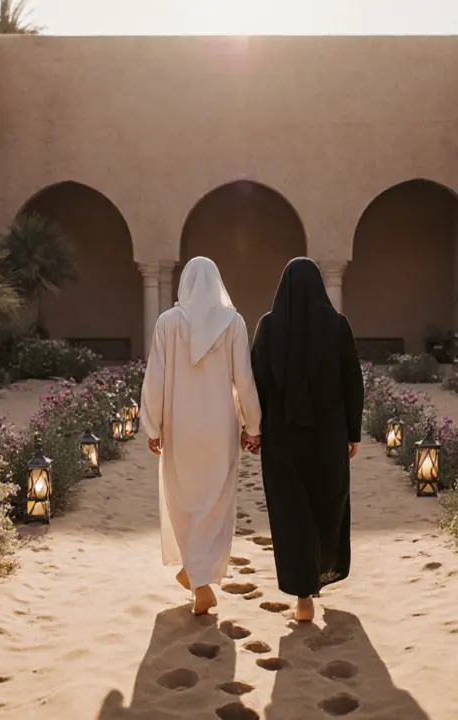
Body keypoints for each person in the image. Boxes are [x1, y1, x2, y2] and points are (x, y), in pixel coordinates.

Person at [139, 256, 262, 615]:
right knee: (215, 504)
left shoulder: (167, 323)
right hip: (220, 427)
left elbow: (155, 379)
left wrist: (153, 425)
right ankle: (199, 576)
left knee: (184, 500)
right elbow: (244, 379)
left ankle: (197, 577)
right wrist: (251, 425)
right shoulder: (234, 323)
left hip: (180, 427)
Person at [250, 257, 364, 622]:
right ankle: (316, 578)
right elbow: (352, 383)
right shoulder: (337, 325)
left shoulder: (268, 328)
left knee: (291, 515)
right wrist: (353, 432)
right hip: (327, 439)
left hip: (282, 440)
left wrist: (252, 428)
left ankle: (302, 595)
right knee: (325, 508)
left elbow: (256, 384)